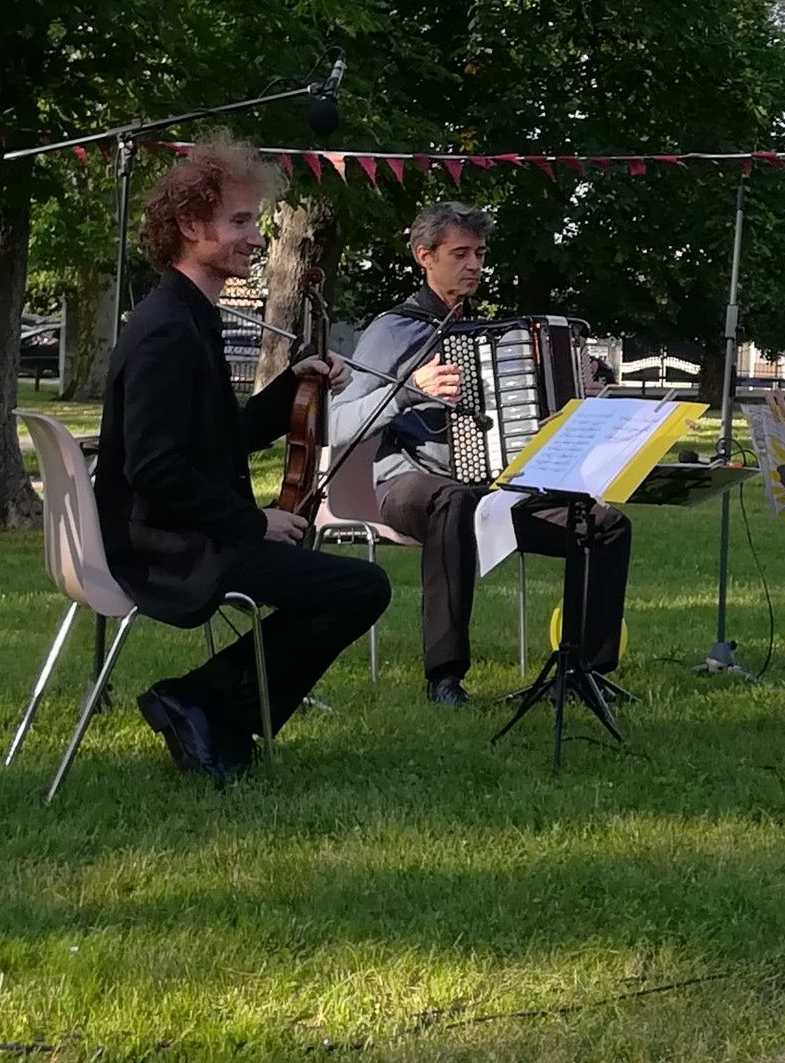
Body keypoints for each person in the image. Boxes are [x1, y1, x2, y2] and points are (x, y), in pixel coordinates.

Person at [93, 141, 390, 784]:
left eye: (254, 222)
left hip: (173, 532)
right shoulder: (168, 331)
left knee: (344, 585)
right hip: (161, 545)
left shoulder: (186, 315)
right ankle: (199, 700)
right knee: (359, 586)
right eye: (239, 222)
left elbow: (220, 440)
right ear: (190, 228)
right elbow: (155, 471)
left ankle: (210, 709)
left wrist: (292, 384)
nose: (255, 238)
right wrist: (253, 524)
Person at [329, 202, 633, 707]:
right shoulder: (393, 331)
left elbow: (532, 419)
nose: (474, 265)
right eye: (461, 253)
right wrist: (406, 391)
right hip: (406, 484)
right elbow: (337, 425)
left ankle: (584, 673)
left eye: (480, 254)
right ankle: (444, 678)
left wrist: (574, 393)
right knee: (453, 500)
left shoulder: (497, 338)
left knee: (604, 525)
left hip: (494, 489)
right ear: (425, 256)